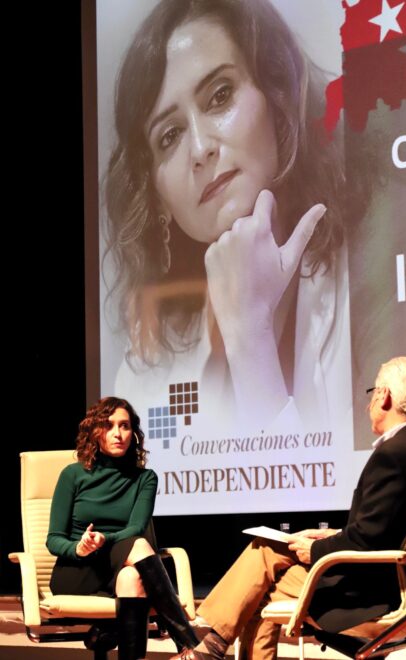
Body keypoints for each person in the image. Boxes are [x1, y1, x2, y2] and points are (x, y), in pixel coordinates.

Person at [103, 0, 363, 436]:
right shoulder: (144, 379)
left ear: (276, 95)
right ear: (157, 197)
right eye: (170, 136)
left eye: (220, 95)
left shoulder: (374, 274)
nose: (201, 148)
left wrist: (250, 338)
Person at [167, 356, 406, 660]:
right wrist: (332, 535)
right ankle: (211, 647)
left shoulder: (394, 454)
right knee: (266, 563)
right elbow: (392, 526)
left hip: (372, 592)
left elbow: (368, 539)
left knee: (263, 567)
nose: (369, 404)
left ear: (384, 396)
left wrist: (316, 551)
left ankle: (210, 646)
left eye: (373, 393)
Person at [46, 396, 199, 660]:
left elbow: (136, 527)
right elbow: (54, 539)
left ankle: (126, 645)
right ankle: (189, 643)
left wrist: (105, 539)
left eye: (125, 426)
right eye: (108, 425)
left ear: (134, 434)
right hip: (78, 572)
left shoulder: (144, 479)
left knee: (132, 577)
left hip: (120, 567)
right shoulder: (72, 474)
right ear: (94, 432)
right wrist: (80, 548)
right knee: (139, 547)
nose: (118, 433)